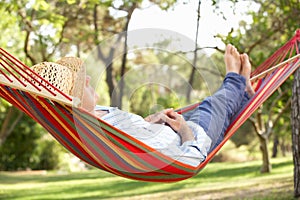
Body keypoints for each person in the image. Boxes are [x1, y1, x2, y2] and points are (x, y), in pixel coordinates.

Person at [31, 44, 255, 167]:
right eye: (80, 84)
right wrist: (185, 131)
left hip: (176, 129)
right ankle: (235, 78)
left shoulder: (101, 117)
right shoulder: (99, 133)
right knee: (212, 106)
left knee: (221, 112)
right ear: (75, 104)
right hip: (193, 138)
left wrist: (153, 120)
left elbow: (137, 139)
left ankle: (244, 95)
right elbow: (189, 161)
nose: (88, 80)